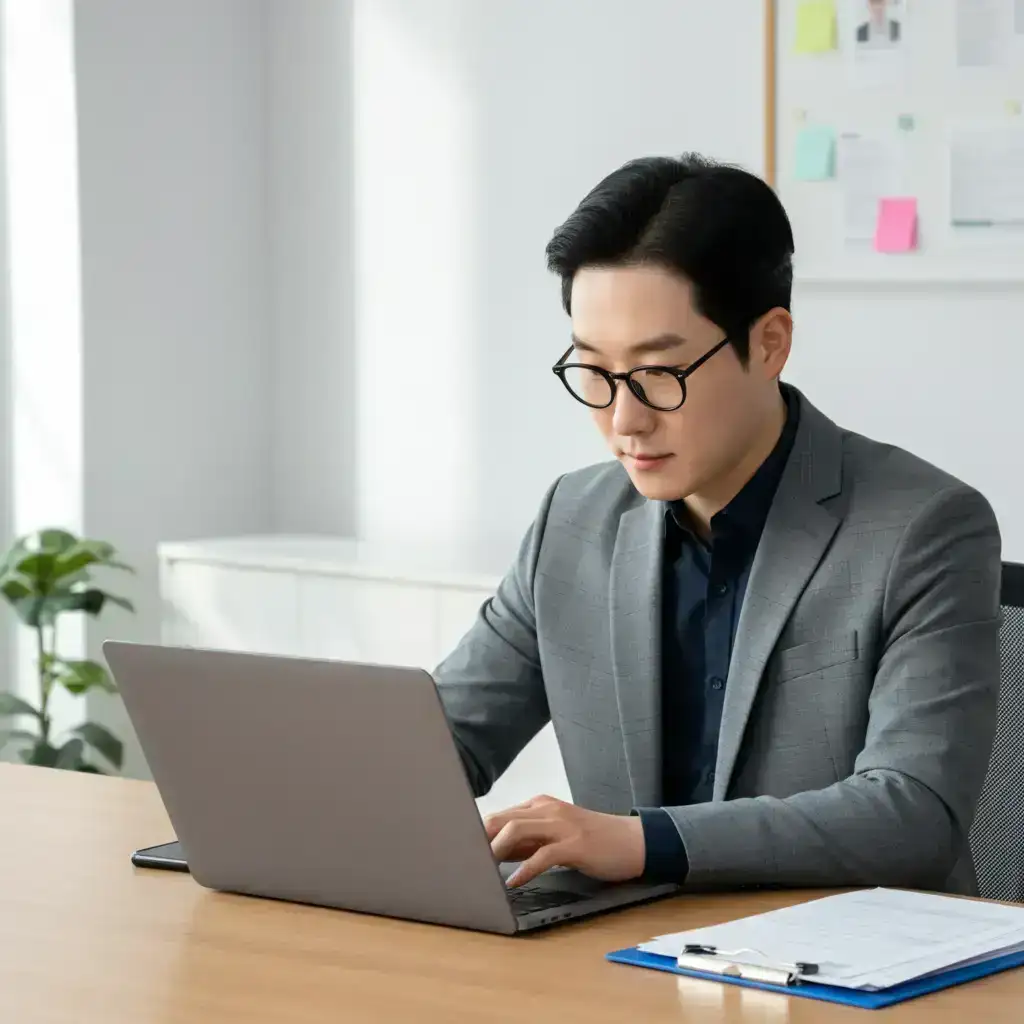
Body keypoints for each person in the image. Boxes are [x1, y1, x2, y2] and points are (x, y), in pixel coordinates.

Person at [434, 154, 1001, 893]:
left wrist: (644, 843)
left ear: (768, 343)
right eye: (594, 373)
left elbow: (911, 814)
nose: (623, 420)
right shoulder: (572, 521)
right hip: (621, 959)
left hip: (847, 971)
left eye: (658, 374)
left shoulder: (923, 528)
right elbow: (438, 744)